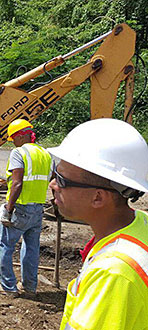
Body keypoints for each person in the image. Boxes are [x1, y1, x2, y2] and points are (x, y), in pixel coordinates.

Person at [48, 118, 148, 329]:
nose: (53, 184)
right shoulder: (141, 223)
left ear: (98, 198)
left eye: (62, 180)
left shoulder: (113, 273)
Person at [0, 119, 52, 297]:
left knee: (4, 245)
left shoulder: (19, 153)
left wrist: (8, 209)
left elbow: (17, 184)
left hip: (20, 208)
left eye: (14, 138)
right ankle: (29, 287)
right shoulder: (45, 154)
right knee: (31, 248)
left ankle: (8, 287)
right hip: (37, 209)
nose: (14, 142)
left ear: (20, 136)